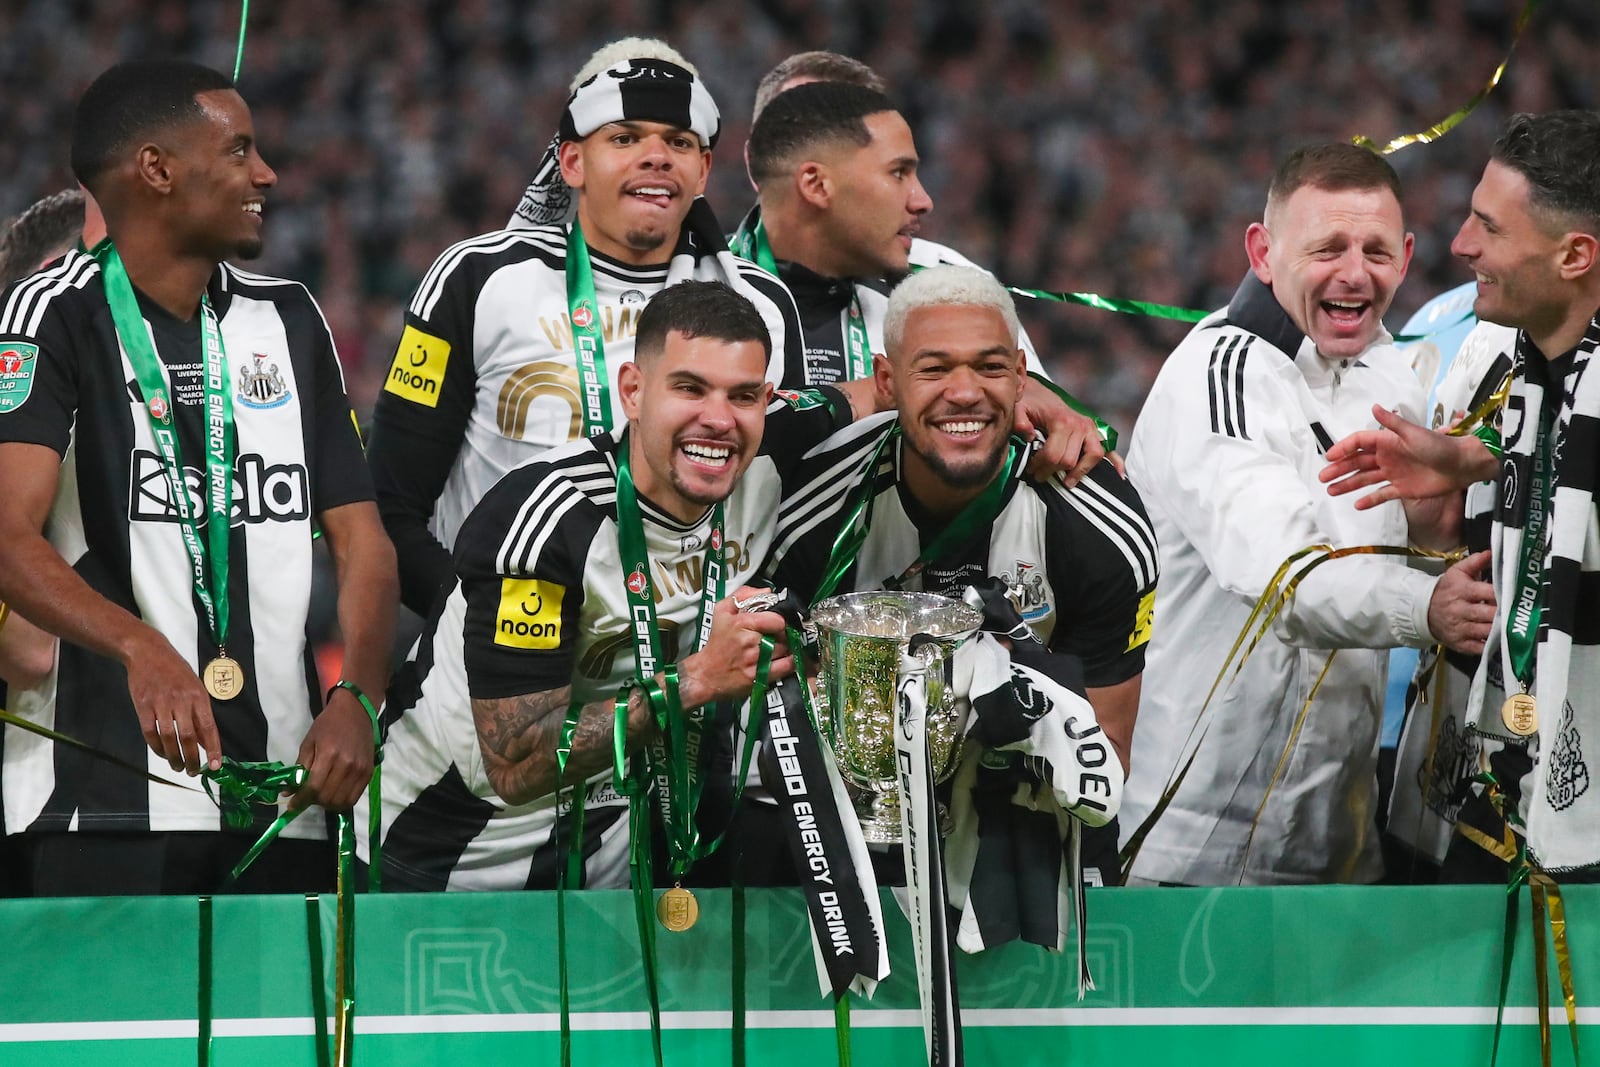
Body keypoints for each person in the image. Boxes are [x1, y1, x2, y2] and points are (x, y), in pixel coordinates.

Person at [0, 60, 397, 895]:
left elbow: (362, 541)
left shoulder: (290, 317)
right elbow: (6, 538)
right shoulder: (53, 315)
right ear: (156, 169)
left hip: (289, 801)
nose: (266, 174)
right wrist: (141, 644)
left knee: (292, 1034)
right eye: (239, 152)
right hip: (102, 809)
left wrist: (357, 694)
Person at [360, 281, 863, 890]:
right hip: (442, 858)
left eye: (744, 395)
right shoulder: (547, 519)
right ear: (633, 391)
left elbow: (891, 387)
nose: (719, 418)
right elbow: (514, 759)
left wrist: (1013, 381)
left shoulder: (768, 450)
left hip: (609, 868)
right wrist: (698, 680)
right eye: (689, 388)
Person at [1119, 143, 1494, 887]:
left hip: (1341, 843)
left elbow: (1397, 560)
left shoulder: (1396, 375)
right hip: (1197, 847)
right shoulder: (1215, 376)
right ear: (1263, 252)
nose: (1355, 273)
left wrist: (1432, 539)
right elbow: (1286, 576)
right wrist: (1428, 602)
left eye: (1377, 250)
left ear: (1408, 257)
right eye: (1328, 248)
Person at [371, 38, 808, 617]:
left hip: (690, 668)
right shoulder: (479, 278)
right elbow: (387, 504)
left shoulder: (760, 302)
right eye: (625, 137)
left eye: (678, 142)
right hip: (492, 654)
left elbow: (787, 504)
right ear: (572, 161)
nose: (656, 156)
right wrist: (474, 625)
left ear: (702, 169)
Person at [764, 265, 1156, 887]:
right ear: (887, 381)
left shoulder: (1100, 521)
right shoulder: (813, 500)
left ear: (1024, 377)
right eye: (934, 369)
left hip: (1023, 837)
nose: (965, 391)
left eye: (991, 367)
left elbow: (1105, 755)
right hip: (849, 837)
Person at [1323, 111, 1600, 881]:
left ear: (1576, 255)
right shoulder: (1489, 358)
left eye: (1489, 227)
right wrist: (1451, 492)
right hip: (1487, 789)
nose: (1461, 246)